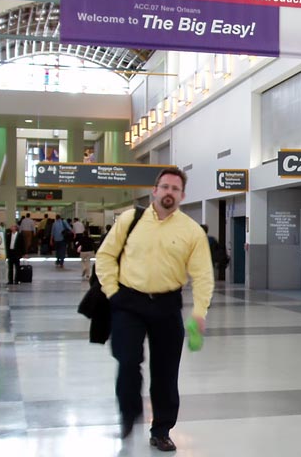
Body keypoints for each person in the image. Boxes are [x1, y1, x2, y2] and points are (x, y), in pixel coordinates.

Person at [96, 167, 214, 453]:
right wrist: (113, 292)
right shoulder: (130, 220)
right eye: (165, 187)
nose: (169, 192)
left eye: (175, 189)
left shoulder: (191, 231)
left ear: (182, 195)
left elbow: (202, 275)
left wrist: (199, 312)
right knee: (127, 359)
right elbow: (106, 256)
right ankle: (129, 411)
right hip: (129, 302)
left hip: (167, 304)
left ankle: (161, 429)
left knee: (165, 371)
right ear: (155, 190)